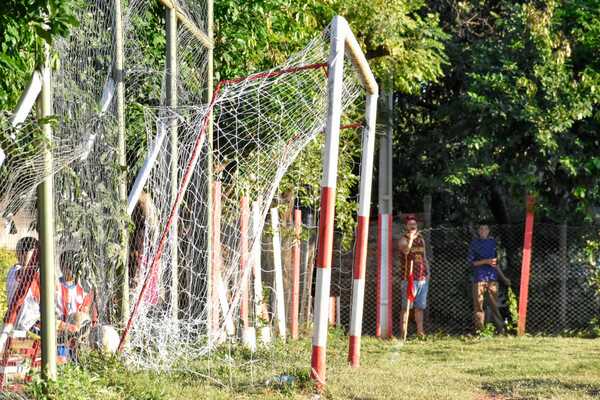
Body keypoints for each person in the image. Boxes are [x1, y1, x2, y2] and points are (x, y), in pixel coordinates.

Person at [468, 223, 510, 333]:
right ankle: (480, 330)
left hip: (492, 278)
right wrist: (486, 261)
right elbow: (472, 263)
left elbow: (496, 263)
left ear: (489, 231)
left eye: (485, 229)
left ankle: (500, 329)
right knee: (479, 305)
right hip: (479, 278)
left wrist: (503, 278)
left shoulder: (493, 243)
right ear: (478, 231)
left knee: (494, 305)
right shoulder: (474, 244)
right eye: (481, 229)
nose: (483, 231)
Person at [399, 214, 429, 338]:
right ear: (406, 226)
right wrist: (411, 238)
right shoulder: (403, 239)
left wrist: (428, 273)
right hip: (409, 278)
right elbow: (406, 250)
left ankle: (420, 333)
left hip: (422, 279)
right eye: (410, 224)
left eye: (414, 224)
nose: (413, 226)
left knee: (419, 307)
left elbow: (424, 257)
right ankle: (403, 332)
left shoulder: (421, 239)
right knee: (406, 307)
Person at [6, 237, 39, 306]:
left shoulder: (37, 270)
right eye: (34, 254)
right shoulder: (14, 270)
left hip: (36, 314)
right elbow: (24, 274)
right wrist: (30, 256)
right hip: (22, 316)